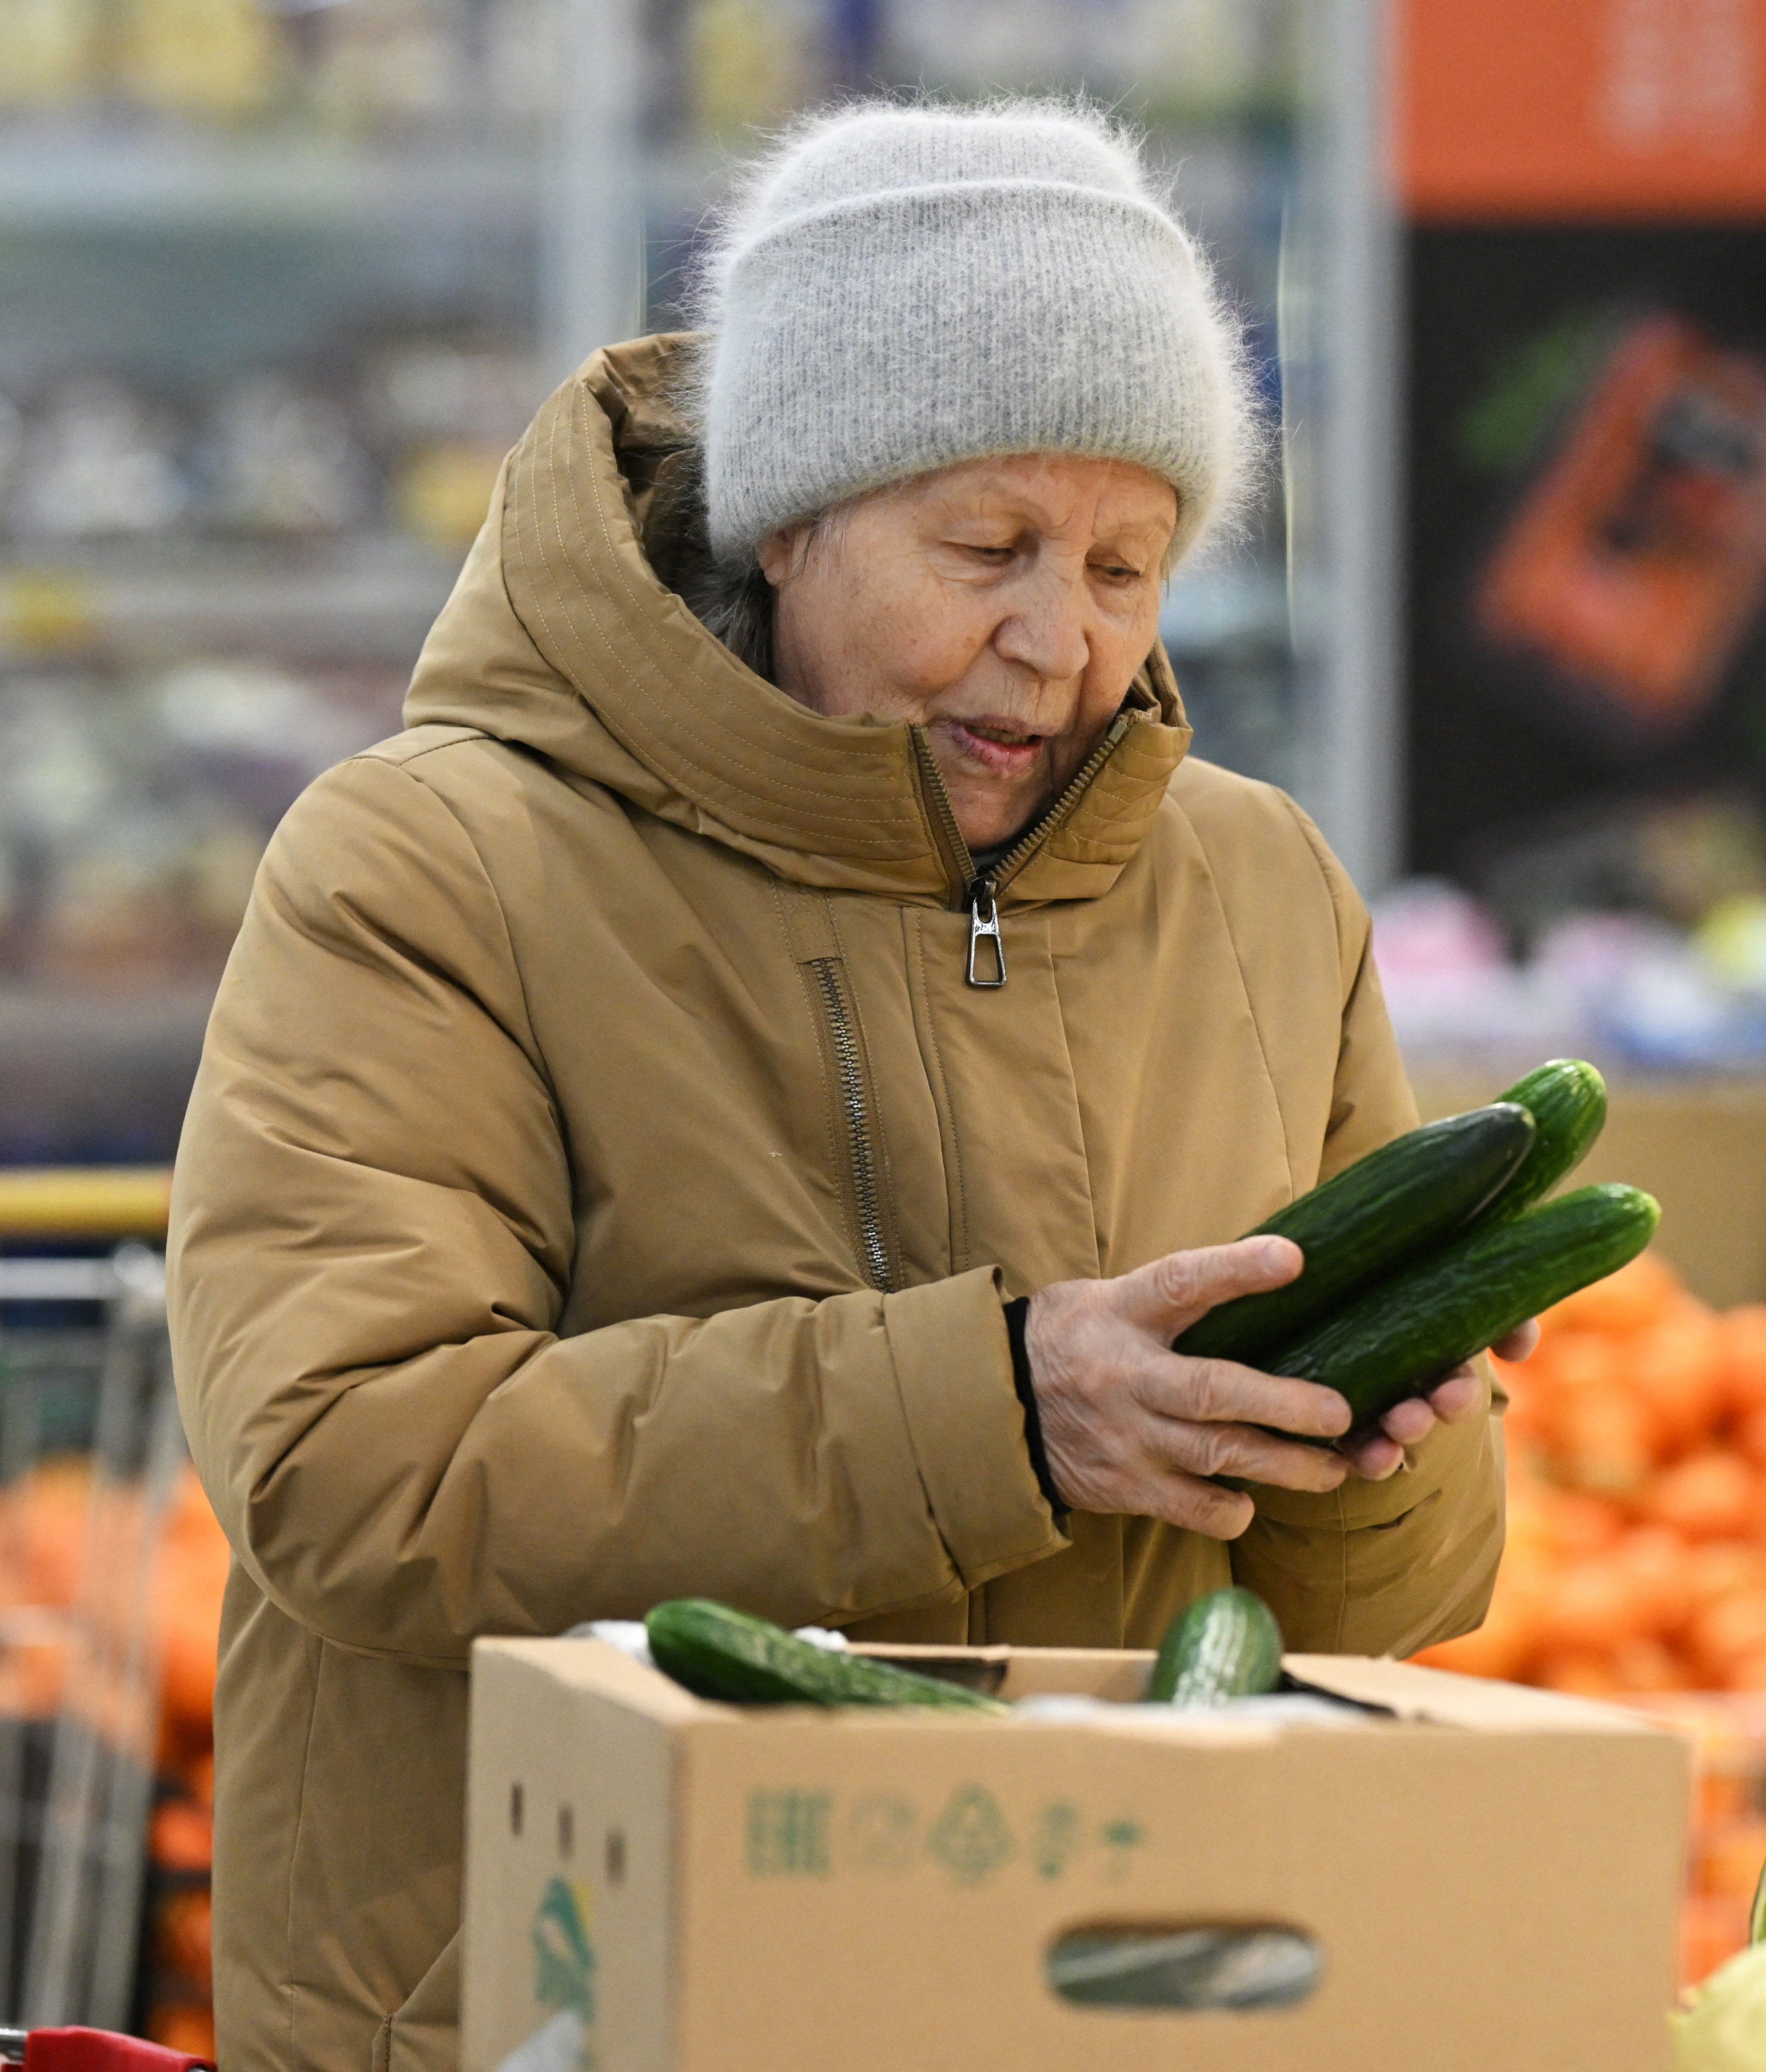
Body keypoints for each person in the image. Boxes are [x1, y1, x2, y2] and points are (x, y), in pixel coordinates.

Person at [169, 99, 1524, 2072]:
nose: (1057, 642)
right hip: (563, 1991)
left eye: (1128, 565)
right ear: (787, 516)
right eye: (986, 548)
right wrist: (1002, 1409)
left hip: (1089, 2006)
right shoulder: (436, 862)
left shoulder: (1258, 888)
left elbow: (1385, 1612)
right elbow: (354, 1468)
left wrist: (1377, 1442)